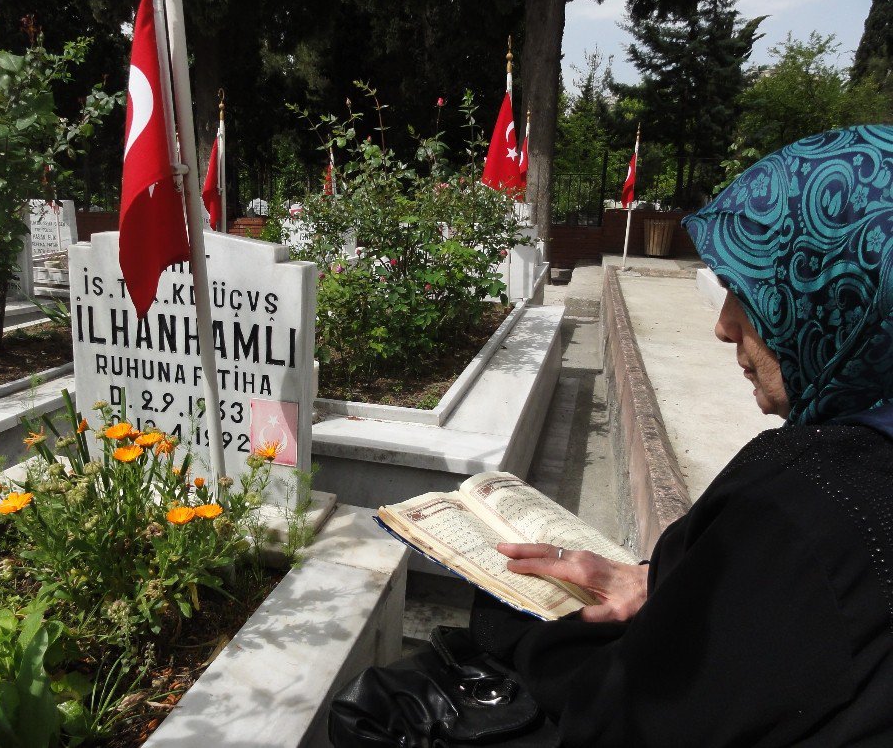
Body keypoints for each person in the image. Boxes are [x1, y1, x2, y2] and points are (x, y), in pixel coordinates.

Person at [329, 125, 893, 746]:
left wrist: (532, 631)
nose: (724, 327)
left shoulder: (804, 509)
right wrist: (659, 583)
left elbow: (629, 715)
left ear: (835, 298)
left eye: (752, 296)